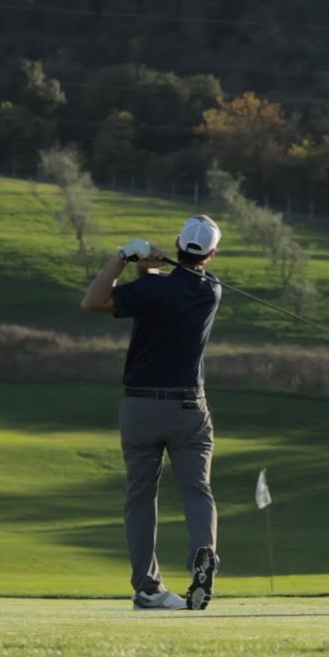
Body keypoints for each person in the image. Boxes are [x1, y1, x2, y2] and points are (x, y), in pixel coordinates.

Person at [81, 215, 224, 611]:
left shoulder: (151, 289)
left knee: (141, 498)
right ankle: (203, 551)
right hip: (189, 408)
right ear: (212, 254)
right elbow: (165, 287)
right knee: (197, 489)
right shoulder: (211, 290)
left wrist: (123, 257)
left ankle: (148, 587)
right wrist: (149, 267)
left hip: (140, 408)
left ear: (178, 242)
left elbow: (93, 301)